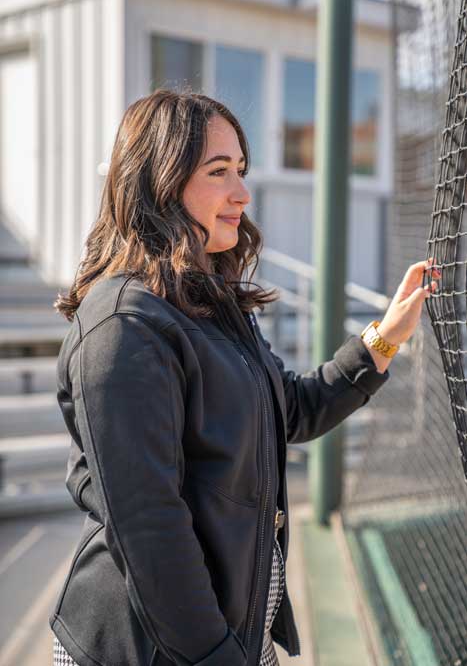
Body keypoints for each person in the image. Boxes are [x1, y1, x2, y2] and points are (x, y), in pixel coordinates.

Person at [49, 88, 441, 666]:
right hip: (154, 648)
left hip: (227, 633)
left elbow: (290, 408)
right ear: (159, 181)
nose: (242, 192)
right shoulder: (122, 328)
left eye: (241, 169)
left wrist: (384, 337)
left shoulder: (207, 304)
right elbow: (150, 529)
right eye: (218, 172)